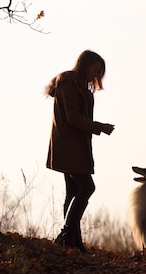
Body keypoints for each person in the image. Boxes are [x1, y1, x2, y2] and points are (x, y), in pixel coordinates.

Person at [45, 50, 115, 252]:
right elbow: (72, 117)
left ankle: (73, 241)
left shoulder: (82, 86)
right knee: (87, 188)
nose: (97, 73)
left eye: (100, 71)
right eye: (96, 68)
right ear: (85, 64)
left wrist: (94, 128)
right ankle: (67, 234)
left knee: (74, 191)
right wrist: (98, 126)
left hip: (78, 145)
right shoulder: (68, 82)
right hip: (69, 145)